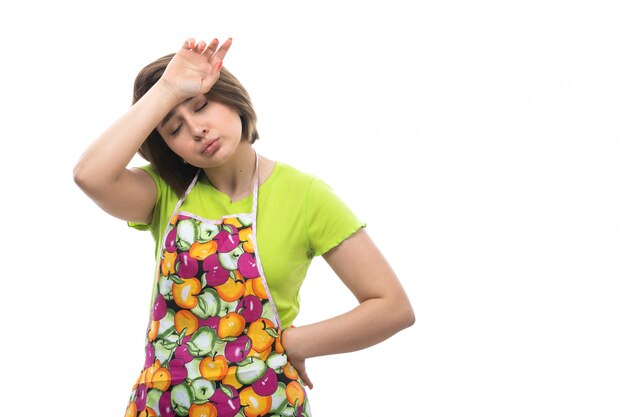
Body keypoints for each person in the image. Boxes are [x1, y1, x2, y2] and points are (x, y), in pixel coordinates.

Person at [74, 37, 415, 417]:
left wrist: (292, 343)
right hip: (164, 405)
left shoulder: (305, 195)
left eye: (202, 106)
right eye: (173, 129)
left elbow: (392, 307)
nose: (197, 129)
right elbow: (90, 177)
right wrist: (167, 89)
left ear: (233, 98)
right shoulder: (162, 194)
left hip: (266, 402)